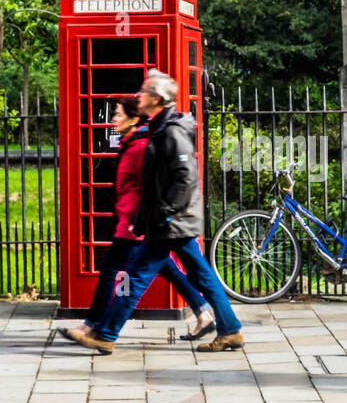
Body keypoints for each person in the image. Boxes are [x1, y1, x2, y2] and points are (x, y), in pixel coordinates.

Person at [67, 70, 244, 354]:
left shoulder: (171, 130)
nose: (139, 94)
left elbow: (185, 177)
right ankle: (230, 329)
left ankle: (106, 333)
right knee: (202, 278)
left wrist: (164, 213)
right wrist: (144, 218)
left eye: (145, 91)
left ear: (157, 99)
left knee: (136, 278)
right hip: (169, 221)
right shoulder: (158, 127)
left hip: (172, 222)